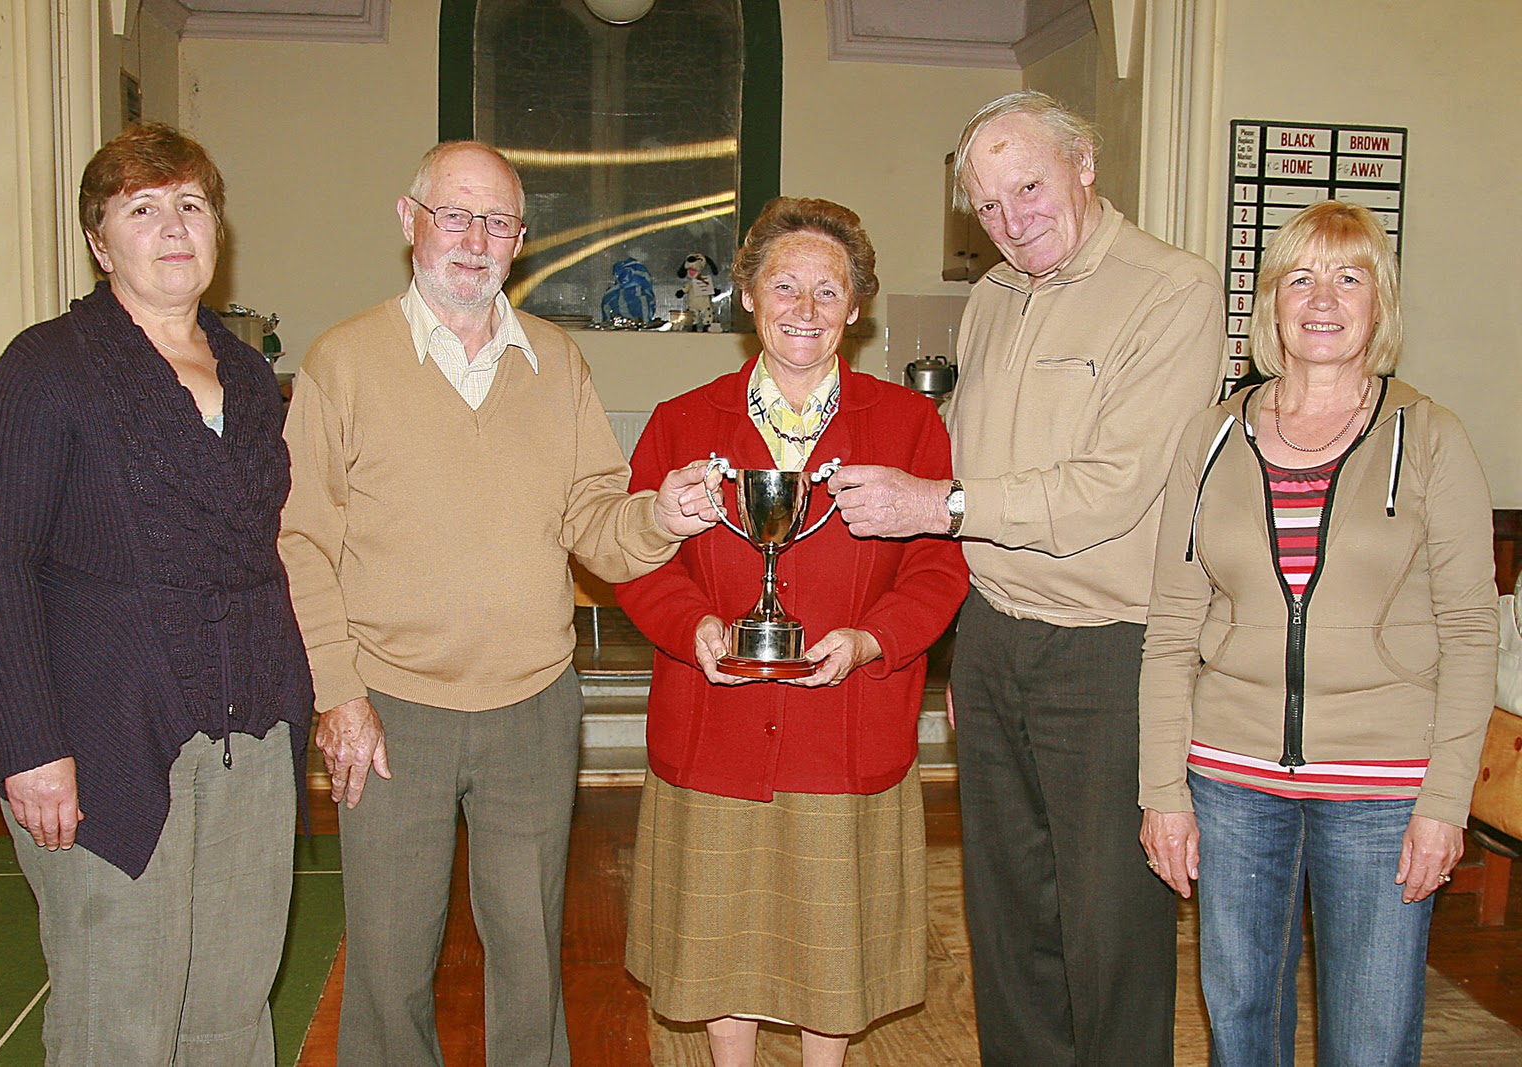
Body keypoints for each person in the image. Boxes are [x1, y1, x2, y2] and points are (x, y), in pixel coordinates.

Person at [277, 140, 719, 1067]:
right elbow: (302, 540)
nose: (475, 240)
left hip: (533, 707)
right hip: (390, 710)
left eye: (498, 221)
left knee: (529, 957)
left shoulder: (557, 361)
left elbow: (595, 518)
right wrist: (338, 693)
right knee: (389, 963)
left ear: (520, 239)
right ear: (410, 221)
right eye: (456, 215)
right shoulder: (341, 362)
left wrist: (660, 516)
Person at [826, 91, 1225, 1065]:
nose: (1011, 221)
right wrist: (965, 637)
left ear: (1084, 164)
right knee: (1007, 924)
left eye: (1029, 188)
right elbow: (963, 452)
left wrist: (938, 505)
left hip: (1110, 650)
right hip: (997, 640)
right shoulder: (994, 297)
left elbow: (1110, 491)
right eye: (988, 205)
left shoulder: (1172, 290)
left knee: (1109, 929)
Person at [0, 122, 313, 1065]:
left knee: (231, 1008)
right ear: (99, 241)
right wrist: (32, 745)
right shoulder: (47, 367)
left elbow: (265, 551)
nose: (173, 226)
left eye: (191, 204)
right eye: (142, 209)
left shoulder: (248, 375)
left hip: (250, 737)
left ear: (218, 228)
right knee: (120, 1018)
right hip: (104, 745)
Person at [1138, 200, 1498, 1064]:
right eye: (1300, 278)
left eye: (1349, 277)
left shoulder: (1432, 438)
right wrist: (1162, 790)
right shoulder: (1211, 437)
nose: (1324, 299)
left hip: (1383, 789)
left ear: (1380, 303)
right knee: (1240, 1023)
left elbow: (1471, 632)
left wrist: (1445, 802)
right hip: (1230, 781)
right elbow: (1173, 624)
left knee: (1371, 1036)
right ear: (1272, 302)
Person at [618, 197, 970, 1067]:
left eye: (828, 289)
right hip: (715, 727)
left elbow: (939, 570)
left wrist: (872, 640)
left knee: (830, 952)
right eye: (785, 285)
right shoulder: (681, 422)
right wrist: (694, 625)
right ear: (747, 295)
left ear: (856, 307)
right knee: (719, 943)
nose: (805, 308)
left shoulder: (908, 426)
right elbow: (638, 557)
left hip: (845, 729)